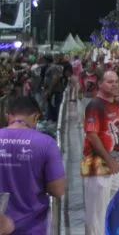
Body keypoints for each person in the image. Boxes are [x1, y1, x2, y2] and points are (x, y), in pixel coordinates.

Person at [0, 96, 66, 235]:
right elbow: (58, 190)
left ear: (8, 115)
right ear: (35, 116)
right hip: (33, 227)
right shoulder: (46, 143)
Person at [82, 70, 119, 235]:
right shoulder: (94, 105)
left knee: (115, 206)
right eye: (109, 82)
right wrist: (109, 160)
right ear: (100, 83)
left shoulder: (115, 104)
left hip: (114, 161)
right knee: (96, 213)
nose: (114, 85)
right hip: (96, 162)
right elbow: (92, 135)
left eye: (116, 81)